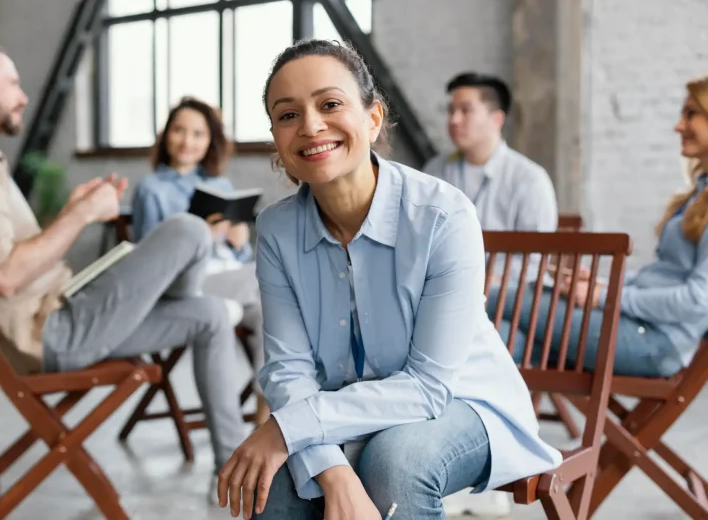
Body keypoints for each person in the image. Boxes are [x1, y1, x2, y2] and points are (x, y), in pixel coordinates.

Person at [214, 39, 562, 520]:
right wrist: (329, 469)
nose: (311, 125)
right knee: (274, 483)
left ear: (373, 119)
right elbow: (288, 369)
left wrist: (287, 428)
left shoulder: (443, 215)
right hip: (349, 411)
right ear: (276, 136)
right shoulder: (276, 229)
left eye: (330, 104)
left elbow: (427, 388)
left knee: (394, 464)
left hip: (463, 401)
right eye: (288, 114)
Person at [0, 40, 247, 499]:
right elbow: (4, 277)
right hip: (52, 333)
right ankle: (175, 291)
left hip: (61, 311)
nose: (23, 95)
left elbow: (12, 257)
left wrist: (73, 209)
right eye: (12, 83)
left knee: (210, 315)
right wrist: (84, 215)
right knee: (189, 230)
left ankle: (230, 472)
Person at [490, 76, 708, 380]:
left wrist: (603, 297)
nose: (678, 126)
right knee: (502, 336)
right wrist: (600, 285)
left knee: (500, 297)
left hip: (654, 340)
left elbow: (699, 301)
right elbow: (659, 278)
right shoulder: (699, 195)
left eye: (690, 114)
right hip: (638, 325)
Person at [131, 97, 269, 426]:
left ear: (210, 141)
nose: (187, 141)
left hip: (229, 278)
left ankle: (265, 415)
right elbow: (149, 261)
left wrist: (237, 241)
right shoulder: (151, 190)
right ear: (166, 135)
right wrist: (202, 234)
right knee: (271, 281)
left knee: (274, 313)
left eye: (197, 134)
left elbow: (238, 256)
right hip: (188, 284)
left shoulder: (220, 186)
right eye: (179, 131)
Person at [424, 73, 557, 299]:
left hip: (511, 296)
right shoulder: (435, 172)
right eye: (451, 111)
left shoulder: (529, 179)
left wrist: (482, 277)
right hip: (447, 290)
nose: (454, 120)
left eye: (466, 110)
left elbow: (536, 260)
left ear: (496, 119)